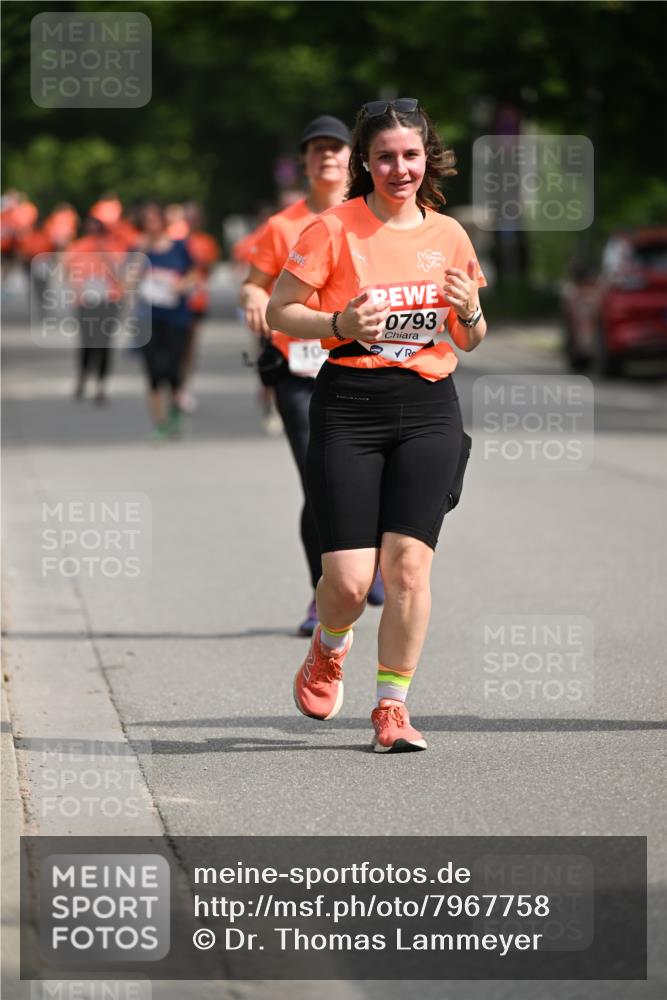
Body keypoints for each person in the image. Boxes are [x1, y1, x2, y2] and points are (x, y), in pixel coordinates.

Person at [267, 98, 487, 752]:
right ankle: (327, 649)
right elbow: (281, 309)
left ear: (427, 158)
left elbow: (469, 338)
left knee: (409, 569)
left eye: (411, 156)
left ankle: (391, 707)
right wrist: (338, 324)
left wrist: (471, 312)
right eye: (386, 156)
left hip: (427, 407)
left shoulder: (447, 235)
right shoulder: (333, 229)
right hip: (349, 406)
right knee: (350, 582)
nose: (400, 169)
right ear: (364, 161)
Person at [240, 116, 385, 636]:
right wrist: (256, 300)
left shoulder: (374, 218)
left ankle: (370, 559)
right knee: (318, 481)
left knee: (375, 474)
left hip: (365, 364)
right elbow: (254, 285)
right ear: (304, 161)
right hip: (299, 372)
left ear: (354, 157)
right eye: (316, 149)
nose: (326, 156)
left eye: (336, 148)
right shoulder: (282, 227)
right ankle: (321, 594)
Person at [133, 200, 195, 439]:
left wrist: (181, 284)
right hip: (148, 318)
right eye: (146, 221)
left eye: (155, 219)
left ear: (163, 222)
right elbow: (126, 283)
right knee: (153, 373)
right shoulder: (138, 249)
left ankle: (175, 410)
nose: (151, 225)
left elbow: (193, 274)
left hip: (176, 317)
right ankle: (158, 423)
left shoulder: (179, 247)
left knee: (173, 370)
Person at [64, 215, 126, 404]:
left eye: (96, 229)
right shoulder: (78, 247)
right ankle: (83, 377)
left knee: (105, 342)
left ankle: (101, 384)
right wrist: (76, 288)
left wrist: (104, 254)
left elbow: (121, 272)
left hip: (108, 300)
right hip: (86, 300)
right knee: (87, 341)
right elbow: (67, 269)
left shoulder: (114, 247)